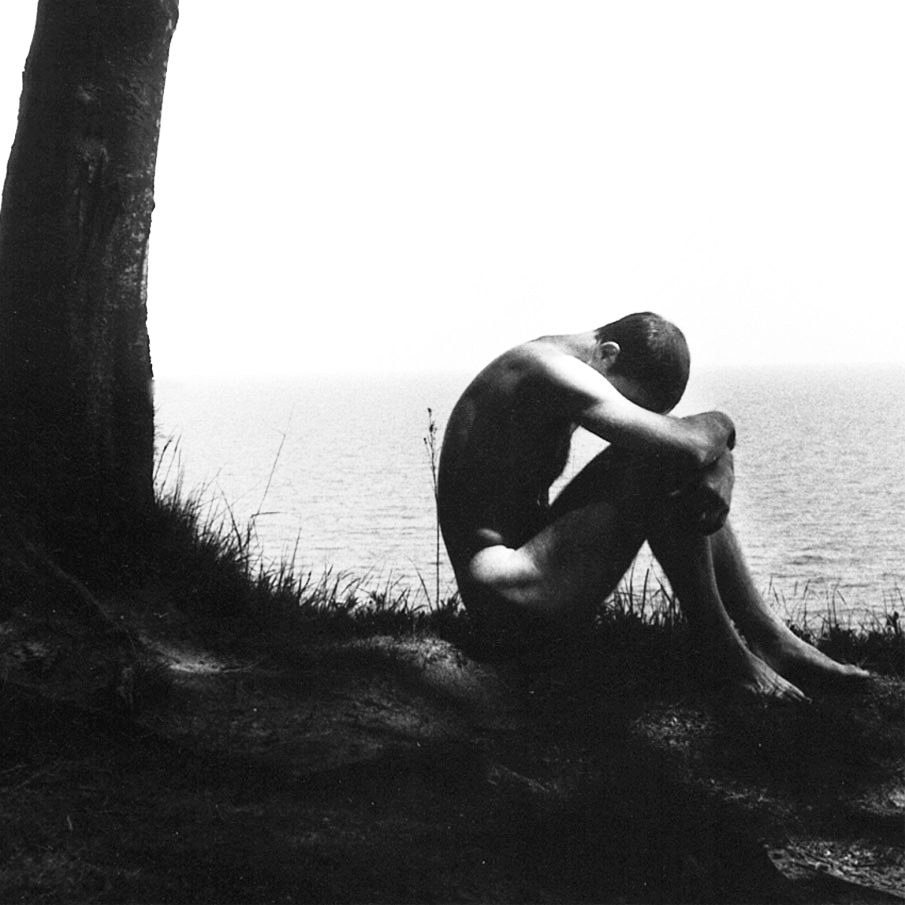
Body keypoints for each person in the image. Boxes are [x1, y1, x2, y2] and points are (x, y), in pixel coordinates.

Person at [437, 312, 869, 701]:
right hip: (505, 604)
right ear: (608, 354)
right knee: (659, 460)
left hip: (529, 579)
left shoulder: (560, 363)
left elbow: (686, 445)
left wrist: (715, 462)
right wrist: (723, 429)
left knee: (670, 458)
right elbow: (685, 446)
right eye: (632, 404)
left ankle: (771, 638)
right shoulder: (549, 370)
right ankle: (724, 653)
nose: (632, 415)